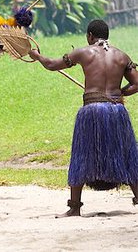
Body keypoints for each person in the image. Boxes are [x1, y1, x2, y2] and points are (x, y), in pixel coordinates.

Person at [28, 19, 138, 217]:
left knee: (81, 154)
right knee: (127, 153)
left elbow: (52, 65)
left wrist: (36, 56)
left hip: (92, 111)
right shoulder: (122, 56)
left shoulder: (84, 52)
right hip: (116, 111)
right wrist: (118, 94)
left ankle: (75, 207)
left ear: (89, 36)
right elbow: (137, 84)